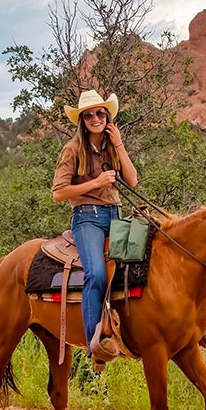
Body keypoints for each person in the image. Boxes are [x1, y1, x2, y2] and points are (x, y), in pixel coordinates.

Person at [52, 88, 139, 366]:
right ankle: (95, 345)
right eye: (88, 115)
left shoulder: (113, 146)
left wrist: (120, 144)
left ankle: (136, 333)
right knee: (97, 274)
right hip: (86, 217)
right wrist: (96, 183)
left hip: (115, 214)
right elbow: (58, 192)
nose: (94, 118)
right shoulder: (72, 149)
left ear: (107, 116)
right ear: (82, 120)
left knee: (138, 268)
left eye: (100, 113)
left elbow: (133, 181)